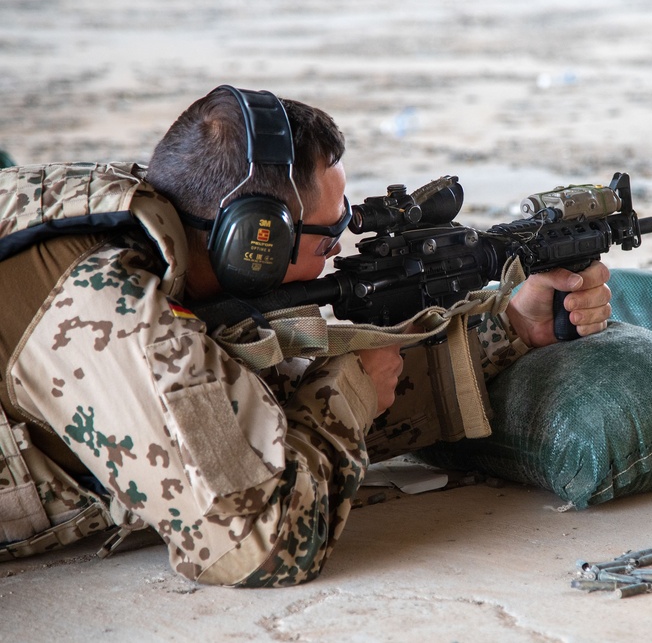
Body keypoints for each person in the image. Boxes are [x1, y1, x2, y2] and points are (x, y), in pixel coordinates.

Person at [0, 86, 612, 586]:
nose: (341, 246)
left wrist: (508, 329)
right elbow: (257, 546)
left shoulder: (163, 224)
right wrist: (349, 392)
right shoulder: (117, 319)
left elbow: (258, 400)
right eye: (328, 232)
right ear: (252, 242)